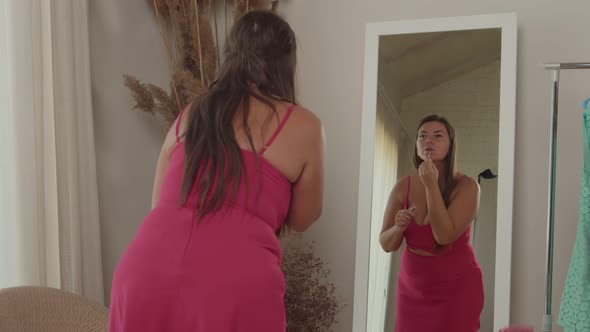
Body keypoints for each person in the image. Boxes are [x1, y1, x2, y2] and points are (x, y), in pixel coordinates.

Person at [108, 10, 325, 332]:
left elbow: (160, 205)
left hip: (146, 268)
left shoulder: (192, 112)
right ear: (286, 63)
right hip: (234, 282)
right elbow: (303, 218)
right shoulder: (304, 125)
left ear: (230, 56)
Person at [379, 115, 484, 332]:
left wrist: (431, 185)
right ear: (416, 145)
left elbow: (443, 236)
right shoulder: (402, 187)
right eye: (422, 136)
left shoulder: (468, 187)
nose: (429, 141)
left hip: (457, 289)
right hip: (412, 289)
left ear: (451, 145)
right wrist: (398, 228)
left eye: (438, 136)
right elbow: (386, 244)